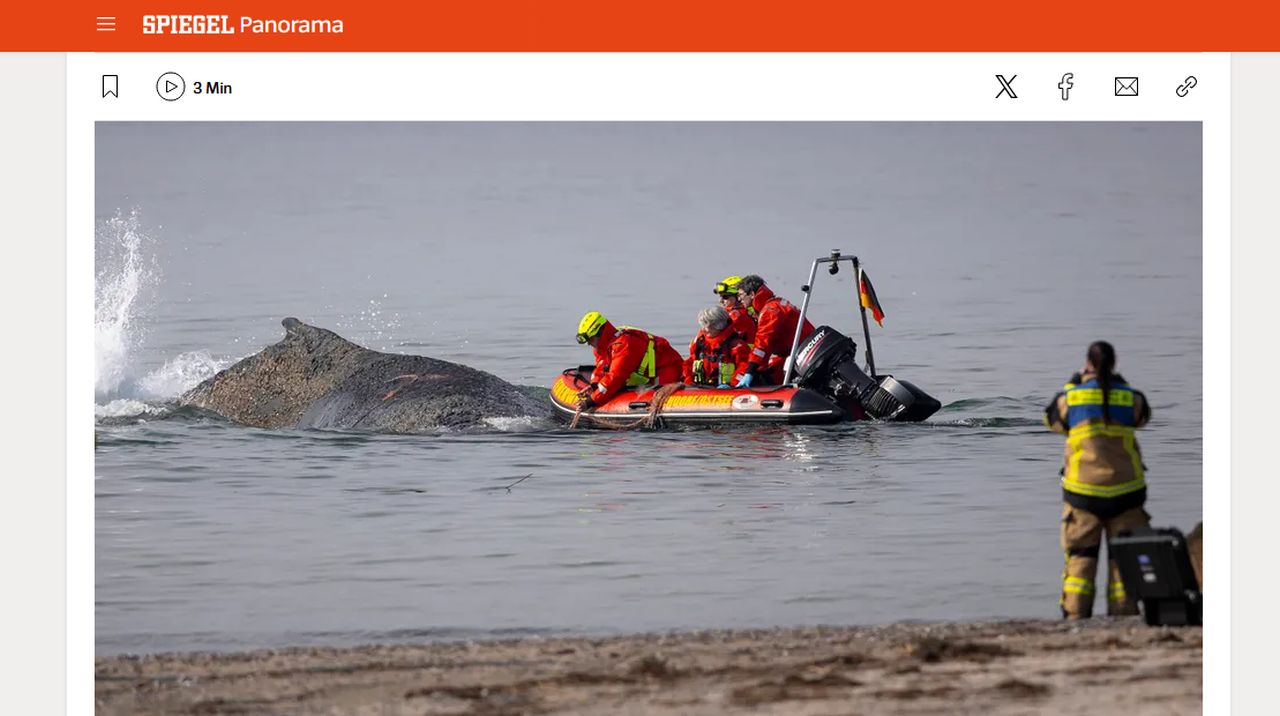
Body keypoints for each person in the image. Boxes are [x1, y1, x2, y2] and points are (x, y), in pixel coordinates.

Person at [1044, 340, 1152, 619]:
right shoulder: (1129, 398)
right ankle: (1126, 618)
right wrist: (1120, 385)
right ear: (1115, 364)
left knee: (1080, 562)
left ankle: (1075, 619)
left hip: (1083, 494)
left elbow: (1052, 420)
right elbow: (1144, 416)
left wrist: (1073, 384)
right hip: (1128, 493)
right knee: (1125, 562)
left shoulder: (1072, 398)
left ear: (1087, 363)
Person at [575, 311, 683, 410]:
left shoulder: (624, 345)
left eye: (590, 340)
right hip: (649, 375)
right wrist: (594, 386)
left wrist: (590, 402)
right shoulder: (603, 346)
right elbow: (602, 368)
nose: (589, 344)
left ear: (600, 333)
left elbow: (614, 378)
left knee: (660, 396)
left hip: (666, 368)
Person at [734, 274, 815, 386]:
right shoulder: (775, 304)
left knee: (764, 377)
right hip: (797, 352)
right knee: (765, 371)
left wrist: (750, 372)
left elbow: (763, 343)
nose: (739, 299)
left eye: (740, 295)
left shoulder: (770, 310)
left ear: (752, 294)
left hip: (798, 354)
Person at [683, 306, 752, 387]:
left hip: (728, 389)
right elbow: (690, 362)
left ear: (718, 325)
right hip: (700, 387)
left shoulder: (736, 345)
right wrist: (688, 379)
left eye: (706, 326)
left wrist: (733, 384)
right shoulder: (700, 342)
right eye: (702, 325)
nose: (704, 329)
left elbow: (744, 367)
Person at [712, 275, 757, 344]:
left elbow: (716, 338)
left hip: (744, 349)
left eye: (725, 296)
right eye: (720, 296)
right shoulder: (752, 310)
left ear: (738, 296)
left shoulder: (735, 315)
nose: (720, 301)